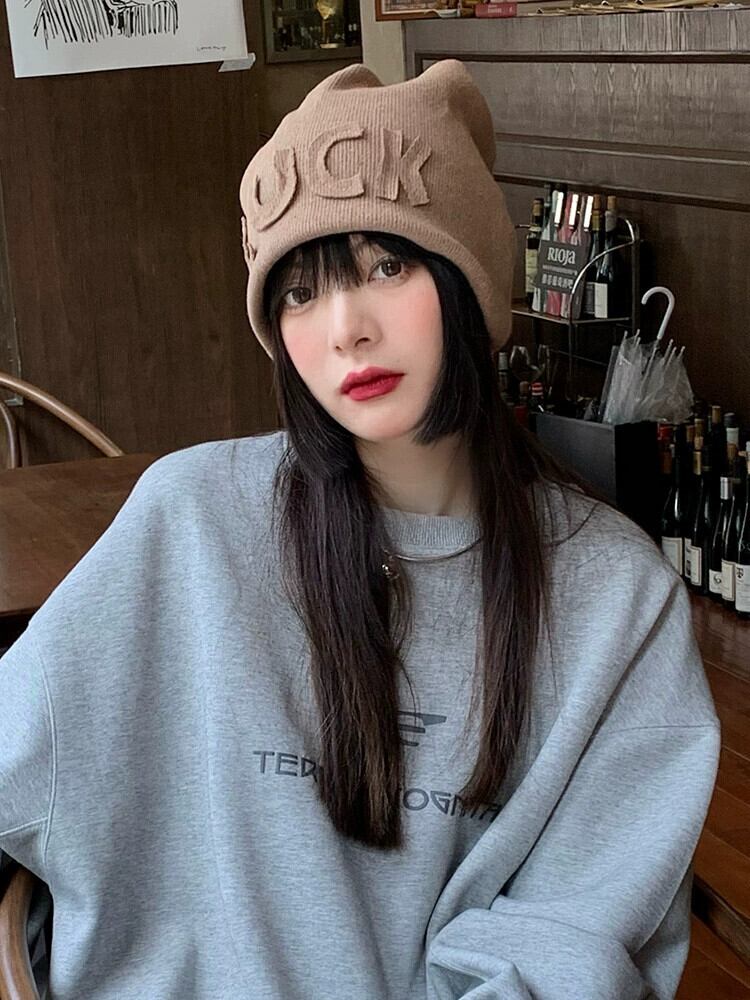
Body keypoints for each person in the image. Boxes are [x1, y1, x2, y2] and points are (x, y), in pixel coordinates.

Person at [0, 59, 720, 1000]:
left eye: (388, 265)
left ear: (468, 282)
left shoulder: (616, 600)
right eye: (300, 291)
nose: (346, 328)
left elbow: (573, 936)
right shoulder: (191, 519)